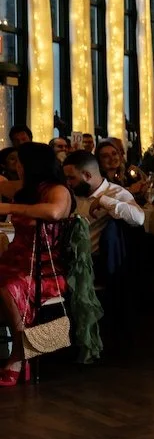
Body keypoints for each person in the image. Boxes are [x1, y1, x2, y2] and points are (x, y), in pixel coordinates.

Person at [0, 142, 74, 385]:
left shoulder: (57, 190)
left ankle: (19, 354)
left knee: (8, 285)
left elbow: (54, 213)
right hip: (15, 259)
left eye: (20, 163)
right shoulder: (26, 188)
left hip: (43, 268)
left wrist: (9, 207)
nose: (17, 168)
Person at [62, 151, 144, 256]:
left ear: (87, 175)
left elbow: (139, 218)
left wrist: (103, 200)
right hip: (69, 256)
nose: (68, 182)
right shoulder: (75, 193)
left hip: (94, 262)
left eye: (72, 178)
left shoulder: (115, 193)